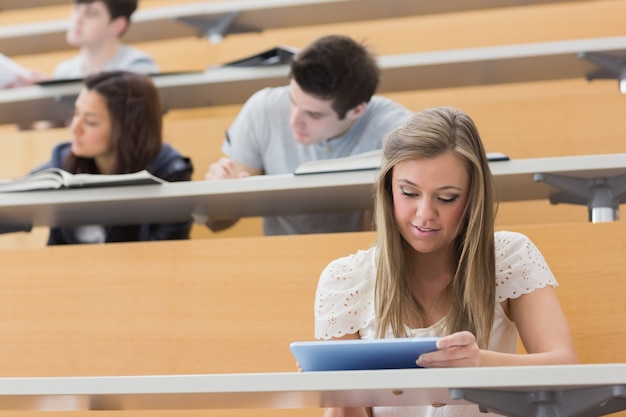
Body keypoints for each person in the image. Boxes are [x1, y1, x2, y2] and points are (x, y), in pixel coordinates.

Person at [313, 106, 578, 417]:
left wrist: (481, 362)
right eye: (409, 193)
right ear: (388, 190)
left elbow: (565, 367)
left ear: (472, 197)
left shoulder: (509, 255)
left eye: (447, 197)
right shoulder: (345, 279)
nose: (425, 213)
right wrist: (341, 394)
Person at [204, 34, 412, 236]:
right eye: (292, 101)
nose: (293, 121)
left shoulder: (398, 131)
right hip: (281, 258)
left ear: (357, 111)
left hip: (362, 260)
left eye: (313, 114)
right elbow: (217, 223)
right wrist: (217, 201)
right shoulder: (263, 108)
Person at [32, 70, 193, 245]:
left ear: (127, 129)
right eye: (76, 114)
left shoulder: (170, 173)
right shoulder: (62, 164)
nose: (74, 127)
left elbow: (167, 255)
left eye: (90, 121)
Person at [7, 0, 157, 87]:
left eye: (90, 13)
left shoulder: (138, 66)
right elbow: (51, 129)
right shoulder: (64, 71)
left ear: (117, 25)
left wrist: (59, 89)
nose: (77, 19)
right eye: (77, 9)